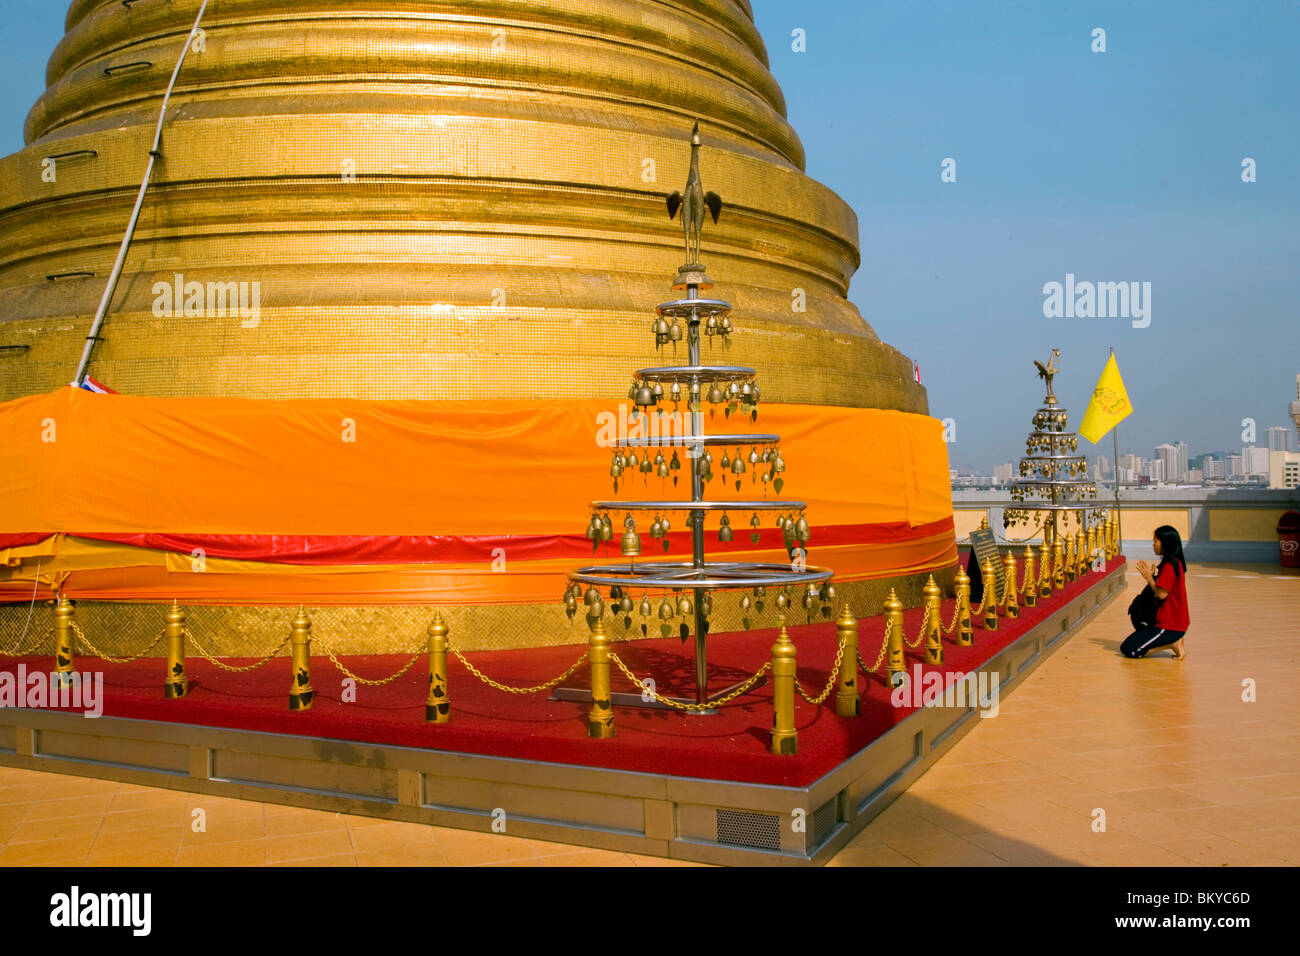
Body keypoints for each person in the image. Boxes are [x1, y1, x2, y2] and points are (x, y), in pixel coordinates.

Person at [1120, 525, 1189, 659]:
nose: (1153, 545)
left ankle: (1173, 643)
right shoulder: (1175, 562)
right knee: (1137, 618)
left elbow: (1162, 594)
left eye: (1156, 541)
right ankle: (1167, 640)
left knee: (1130, 650)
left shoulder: (1169, 565)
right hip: (1173, 622)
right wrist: (1154, 578)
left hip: (1170, 625)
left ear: (1165, 544)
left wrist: (1149, 578)